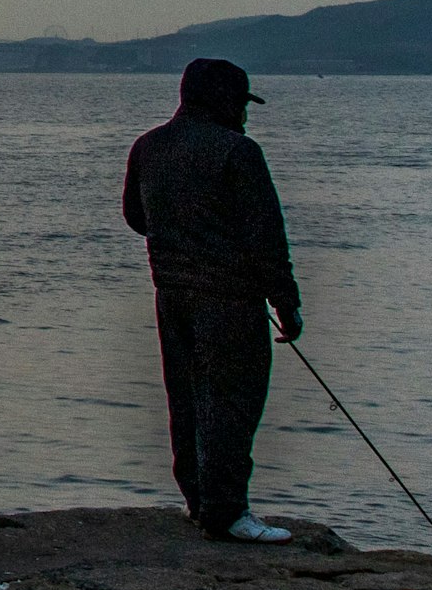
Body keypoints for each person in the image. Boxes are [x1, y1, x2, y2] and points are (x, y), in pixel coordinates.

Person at [122, 56, 303, 543]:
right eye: (242, 104)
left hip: (170, 296)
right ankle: (227, 512)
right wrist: (286, 301)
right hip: (229, 302)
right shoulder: (238, 152)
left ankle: (198, 501)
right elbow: (267, 236)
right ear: (222, 101)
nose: (245, 115)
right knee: (232, 402)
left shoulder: (147, 146)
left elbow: (136, 218)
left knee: (185, 401)